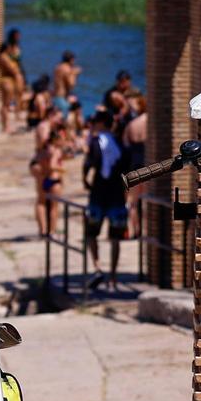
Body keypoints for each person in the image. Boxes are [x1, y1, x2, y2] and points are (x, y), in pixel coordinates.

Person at [83, 110, 128, 293]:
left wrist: (85, 179)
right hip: (116, 193)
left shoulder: (95, 142)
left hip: (99, 192)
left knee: (91, 232)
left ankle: (97, 268)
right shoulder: (119, 142)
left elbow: (89, 163)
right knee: (115, 237)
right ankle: (113, 276)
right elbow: (126, 164)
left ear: (101, 123)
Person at [123, 96, 147, 239]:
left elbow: (125, 143)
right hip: (148, 164)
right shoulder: (148, 121)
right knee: (145, 200)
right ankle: (145, 230)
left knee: (133, 202)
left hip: (134, 164)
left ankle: (136, 230)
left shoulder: (131, 125)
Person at [0, 39, 24, 134]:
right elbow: (13, 69)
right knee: (6, 105)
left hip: (7, 80)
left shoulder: (3, 56)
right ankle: (5, 126)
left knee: (6, 105)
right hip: (6, 81)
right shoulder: (4, 56)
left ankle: (6, 126)